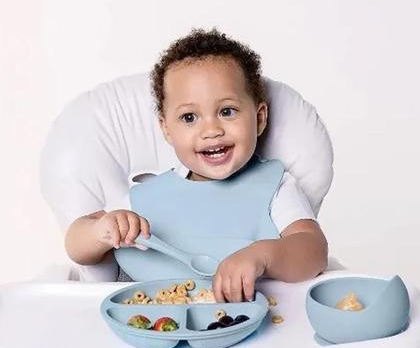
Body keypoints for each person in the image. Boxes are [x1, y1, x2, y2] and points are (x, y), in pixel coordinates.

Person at [65, 28, 328, 302]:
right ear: (167, 129)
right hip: (144, 320)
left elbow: (313, 251)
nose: (211, 130)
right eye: (189, 117)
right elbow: (76, 245)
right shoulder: (146, 196)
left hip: (244, 321)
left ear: (260, 118)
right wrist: (101, 231)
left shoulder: (275, 186)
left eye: (227, 111)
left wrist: (262, 255)